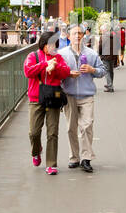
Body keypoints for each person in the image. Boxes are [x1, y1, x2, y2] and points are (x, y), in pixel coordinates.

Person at [23, 29, 71, 174]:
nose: (53, 48)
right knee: (34, 132)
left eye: (55, 45)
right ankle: (36, 151)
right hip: (36, 98)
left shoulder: (58, 57)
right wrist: (45, 64)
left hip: (53, 97)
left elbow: (66, 72)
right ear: (43, 44)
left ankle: (51, 164)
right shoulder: (33, 56)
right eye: (50, 45)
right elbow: (28, 72)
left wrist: (55, 67)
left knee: (52, 132)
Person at [60, 26, 106, 173]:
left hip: (87, 95)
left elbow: (102, 71)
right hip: (69, 95)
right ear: (69, 36)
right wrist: (67, 73)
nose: (77, 36)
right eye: (74, 33)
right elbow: (56, 74)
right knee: (70, 128)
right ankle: (74, 157)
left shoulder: (91, 54)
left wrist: (92, 70)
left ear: (83, 36)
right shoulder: (62, 54)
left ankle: (86, 158)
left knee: (87, 126)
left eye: (80, 33)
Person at [99, 22, 120, 91]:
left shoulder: (103, 37)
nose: (101, 32)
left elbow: (100, 47)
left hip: (105, 56)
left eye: (101, 30)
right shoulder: (115, 36)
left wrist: (99, 55)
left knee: (106, 71)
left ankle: (110, 86)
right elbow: (118, 45)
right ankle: (110, 83)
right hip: (113, 56)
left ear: (104, 30)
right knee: (111, 71)